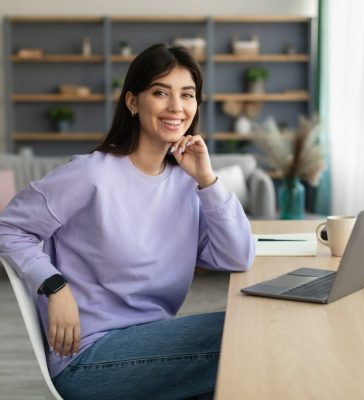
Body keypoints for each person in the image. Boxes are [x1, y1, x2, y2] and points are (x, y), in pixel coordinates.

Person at [0, 43, 255, 400]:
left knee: (247, 356)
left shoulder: (187, 184)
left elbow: (238, 257)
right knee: (252, 332)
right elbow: (8, 227)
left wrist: (207, 182)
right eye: (160, 93)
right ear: (133, 102)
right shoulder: (91, 174)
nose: (176, 107)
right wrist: (54, 285)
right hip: (89, 358)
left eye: (187, 95)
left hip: (152, 347)